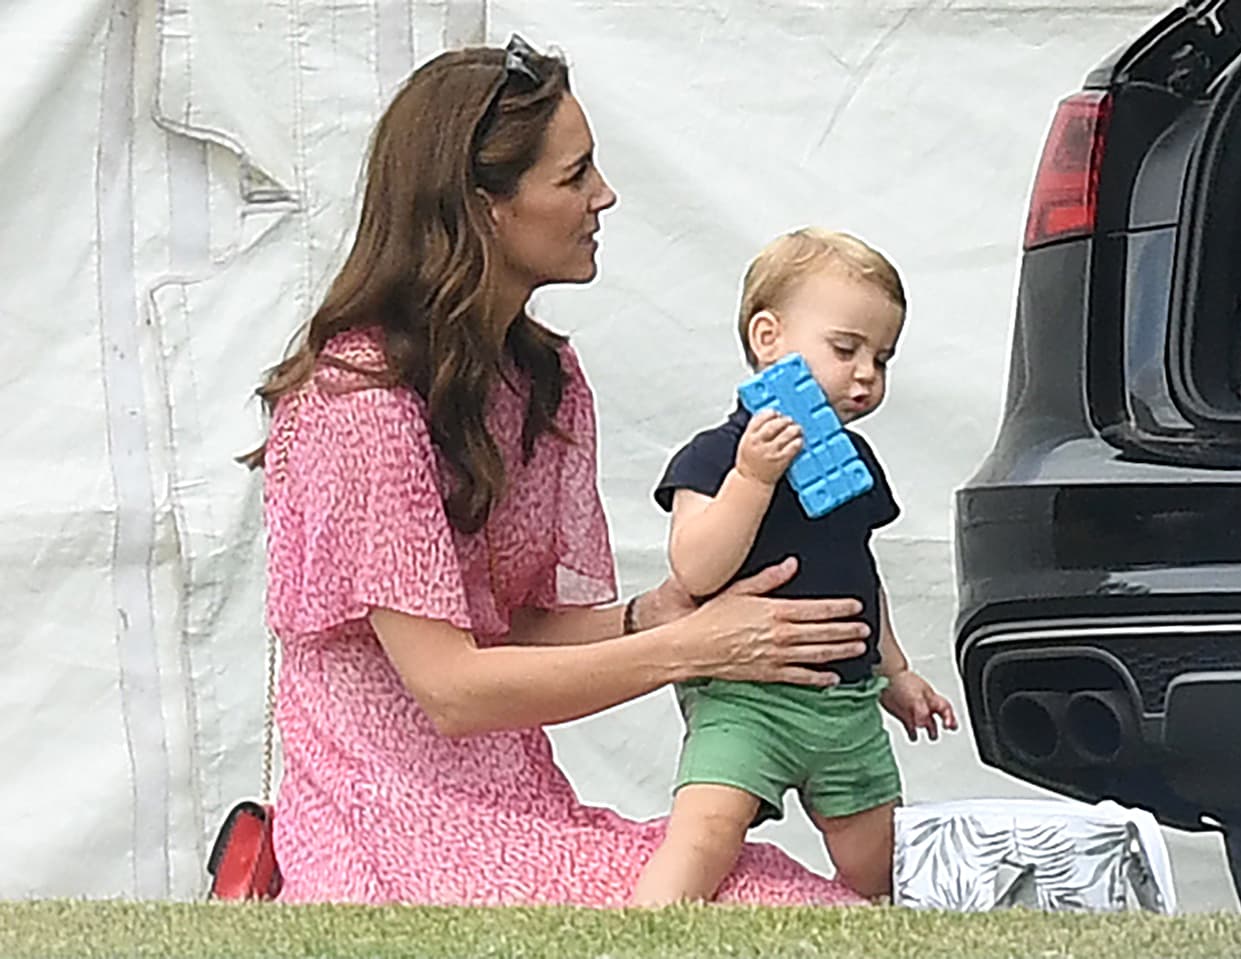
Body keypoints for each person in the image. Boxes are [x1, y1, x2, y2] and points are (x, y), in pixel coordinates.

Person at [244, 37, 878, 905]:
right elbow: (452, 690)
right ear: (485, 207)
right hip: (387, 827)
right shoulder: (358, 403)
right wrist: (692, 647)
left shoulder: (542, 379)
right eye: (575, 175)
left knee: (798, 899)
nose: (604, 195)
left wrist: (652, 614)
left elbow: (514, 627)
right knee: (770, 906)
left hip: (517, 806)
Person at [632, 228, 959, 906]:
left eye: (882, 358)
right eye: (845, 349)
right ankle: (649, 928)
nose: (866, 375)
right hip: (744, 699)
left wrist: (895, 671)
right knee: (705, 833)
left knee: (880, 862)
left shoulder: (856, 463)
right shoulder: (714, 456)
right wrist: (753, 478)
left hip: (847, 706)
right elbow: (694, 570)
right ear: (768, 338)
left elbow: (859, 572)